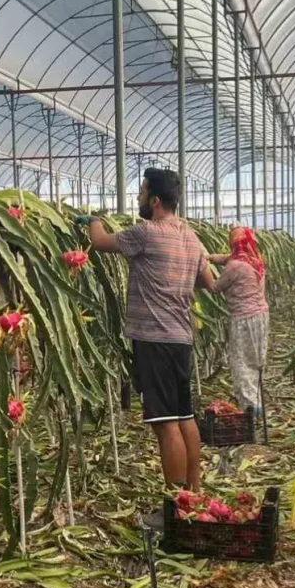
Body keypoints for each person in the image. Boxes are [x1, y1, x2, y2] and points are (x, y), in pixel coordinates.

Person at [76, 168, 213, 496]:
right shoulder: (192, 238)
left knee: (166, 425)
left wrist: (92, 219)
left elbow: (99, 242)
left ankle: (178, 505)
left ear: (154, 200)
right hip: (181, 338)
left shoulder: (147, 233)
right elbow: (203, 280)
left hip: (155, 340)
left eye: (140, 193)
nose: (137, 198)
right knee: (185, 417)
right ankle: (193, 492)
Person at [207, 226, 269, 416]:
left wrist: (201, 272)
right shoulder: (255, 260)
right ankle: (257, 401)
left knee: (241, 362)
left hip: (243, 319)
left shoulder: (235, 267)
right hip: (261, 317)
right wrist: (209, 257)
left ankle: (250, 408)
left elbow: (215, 287)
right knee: (256, 361)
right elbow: (227, 257)